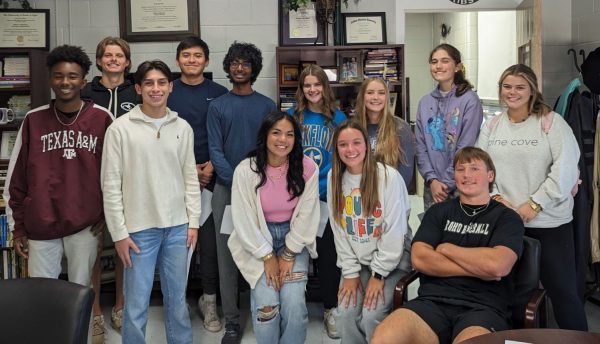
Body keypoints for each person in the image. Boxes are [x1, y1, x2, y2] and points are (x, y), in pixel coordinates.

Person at [371, 147, 525, 344]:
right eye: (460, 169)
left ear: (490, 175)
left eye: (474, 169)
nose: (466, 175)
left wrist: (447, 249)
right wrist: (481, 268)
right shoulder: (438, 212)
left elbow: (498, 266)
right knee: (383, 338)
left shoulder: (507, 218)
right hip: (431, 303)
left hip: (484, 308)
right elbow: (419, 259)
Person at [476, 64, 587, 331]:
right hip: (508, 224)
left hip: (549, 223)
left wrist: (535, 203)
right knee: (513, 296)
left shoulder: (551, 123)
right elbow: (481, 166)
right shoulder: (493, 125)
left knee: (563, 294)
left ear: (532, 90)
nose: (512, 92)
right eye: (507, 86)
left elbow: (567, 169)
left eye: (519, 87)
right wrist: (497, 199)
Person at [101, 60, 201, 344]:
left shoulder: (182, 127)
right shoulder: (120, 129)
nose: (155, 89)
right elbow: (110, 186)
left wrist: (193, 222)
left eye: (161, 83)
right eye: (149, 83)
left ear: (170, 87)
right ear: (138, 88)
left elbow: (190, 180)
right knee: (135, 306)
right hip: (137, 232)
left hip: (178, 228)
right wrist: (119, 234)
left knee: (177, 302)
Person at [3, 45, 112, 292]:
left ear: (83, 81)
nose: (65, 82)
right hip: (41, 224)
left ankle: (79, 334)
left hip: (85, 225)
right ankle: (47, 334)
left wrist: (107, 214)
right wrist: (18, 228)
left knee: (80, 294)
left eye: (72, 76)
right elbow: (15, 180)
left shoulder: (102, 118)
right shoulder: (34, 120)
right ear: (50, 79)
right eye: (59, 76)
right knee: (43, 295)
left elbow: (117, 174)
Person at [228, 111, 319, 344]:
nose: (283, 140)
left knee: (293, 302)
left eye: (289, 134)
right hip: (258, 240)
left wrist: (288, 253)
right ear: (265, 136)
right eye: (276, 133)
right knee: (267, 304)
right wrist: (266, 255)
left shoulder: (307, 168)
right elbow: (243, 219)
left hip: (294, 240)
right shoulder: (246, 170)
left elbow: (308, 215)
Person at [207, 41, 276, 344]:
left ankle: (264, 310)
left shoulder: (267, 106)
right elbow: (215, 149)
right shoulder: (218, 106)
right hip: (226, 191)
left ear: (253, 69)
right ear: (227, 67)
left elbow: (272, 147)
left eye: (245, 63)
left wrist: (253, 180)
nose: (239, 68)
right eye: (234, 62)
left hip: (261, 189)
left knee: (261, 250)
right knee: (227, 257)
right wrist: (235, 181)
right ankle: (232, 322)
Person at [327, 120, 411, 344]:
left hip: (391, 264)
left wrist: (379, 275)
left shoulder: (389, 177)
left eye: (356, 142)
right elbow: (339, 232)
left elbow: (396, 232)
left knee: (371, 315)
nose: (350, 149)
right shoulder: (334, 178)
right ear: (336, 149)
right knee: (344, 314)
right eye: (343, 144)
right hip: (358, 262)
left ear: (367, 146)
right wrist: (351, 273)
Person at [167, 36, 228, 333]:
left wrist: (210, 166)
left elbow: (225, 136)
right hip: (176, 180)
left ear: (206, 61)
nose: (192, 60)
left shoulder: (219, 93)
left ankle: (209, 300)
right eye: (186, 55)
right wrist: (190, 170)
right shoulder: (166, 91)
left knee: (210, 245)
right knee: (180, 245)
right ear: (178, 60)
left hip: (213, 179)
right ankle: (177, 303)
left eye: (198, 56)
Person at [81, 36, 139, 342]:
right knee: (92, 246)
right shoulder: (86, 92)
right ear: (100, 60)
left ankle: (120, 305)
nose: (114, 60)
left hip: (128, 179)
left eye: (119, 56)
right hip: (91, 178)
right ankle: (94, 313)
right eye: (108, 55)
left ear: (127, 62)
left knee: (123, 245)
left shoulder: (137, 91)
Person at [287, 64, 347, 339]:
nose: (312, 90)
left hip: (326, 197)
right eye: (307, 85)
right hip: (298, 198)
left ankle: (329, 309)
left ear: (325, 87)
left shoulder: (337, 118)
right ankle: (292, 309)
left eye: (317, 84)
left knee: (327, 258)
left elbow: (346, 155)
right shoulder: (292, 117)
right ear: (301, 89)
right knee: (297, 253)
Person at [415, 43, 483, 211]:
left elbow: (465, 146)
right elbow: (420, 145)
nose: (438, 66)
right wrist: (431, 180)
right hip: (432, 187)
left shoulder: (469, 100)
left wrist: (445, 183)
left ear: (457, 66)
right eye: (434, 61)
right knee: (433, 235)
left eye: (445, 61)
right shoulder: (425, 102)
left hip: (462, 184)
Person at [355, 76, 416, 188]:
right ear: (362, 96)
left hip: (392, 197)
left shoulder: (401, 128)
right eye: (370, 92)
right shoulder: (353, 128)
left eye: (381, 93)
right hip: (359, 194)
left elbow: (406, 174)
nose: (376, 97)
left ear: (387, 97)